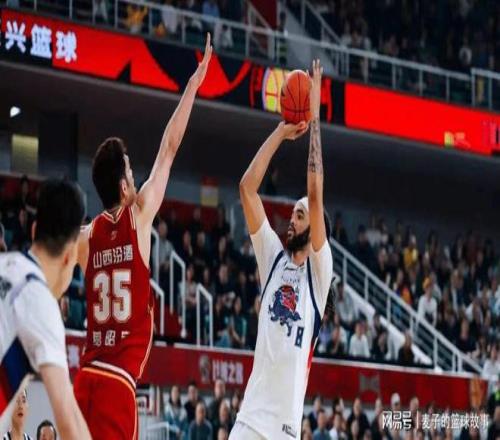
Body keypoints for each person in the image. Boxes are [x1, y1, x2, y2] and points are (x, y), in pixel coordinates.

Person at [73, 34, 212, 439]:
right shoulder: (139, 215)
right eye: (132, 172)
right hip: (117, 383)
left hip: (84, 379)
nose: (136, 178)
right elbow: (170, 147)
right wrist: (193, 85)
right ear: (123, 187)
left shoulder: (85, 238)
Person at [230, 60, 334, 440]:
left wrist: (314, 117)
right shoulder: (273, 258)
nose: (292, 218)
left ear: (317, 227)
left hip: (284, 430)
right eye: (293, 213)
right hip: (249, 419)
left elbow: (315, 192)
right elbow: (247, 188)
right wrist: (281, 131)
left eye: (300, 215)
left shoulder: (319, 275)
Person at [0, 180, 90, 439]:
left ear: (34, 230)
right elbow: (69, 422)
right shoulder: (40, 302)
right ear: (69, 255)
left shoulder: (5, 263)